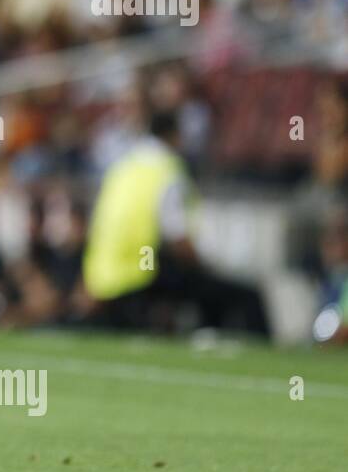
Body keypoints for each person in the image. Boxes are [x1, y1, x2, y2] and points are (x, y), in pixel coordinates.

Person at [83, 110, 270, 337]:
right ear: (174, 135)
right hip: (142, 275)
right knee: (242, 295)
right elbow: (178, 237)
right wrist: (204, 264)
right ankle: (220, 340)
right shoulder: (167, 170)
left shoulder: (123, 167)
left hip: (104, 274)